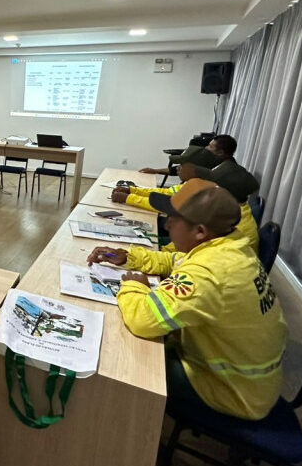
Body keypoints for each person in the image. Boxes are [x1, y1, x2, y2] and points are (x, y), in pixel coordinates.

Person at [88, 179, 287, 421]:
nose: (167, 223)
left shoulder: (210, 273)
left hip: (230, 391)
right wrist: (128, 257)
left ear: (200, 231)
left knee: (121, 365)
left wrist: (132, 286)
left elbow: (142, 320)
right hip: (250, 383)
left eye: (174, 218)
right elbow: (175, 262)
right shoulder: (229, 247)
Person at [112, 147, 259, 250]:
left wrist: (129, 197)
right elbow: (167, 196)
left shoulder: (223, 221)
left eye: (183, 165)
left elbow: (181, 256)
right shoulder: (226, 210)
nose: (179, 169)